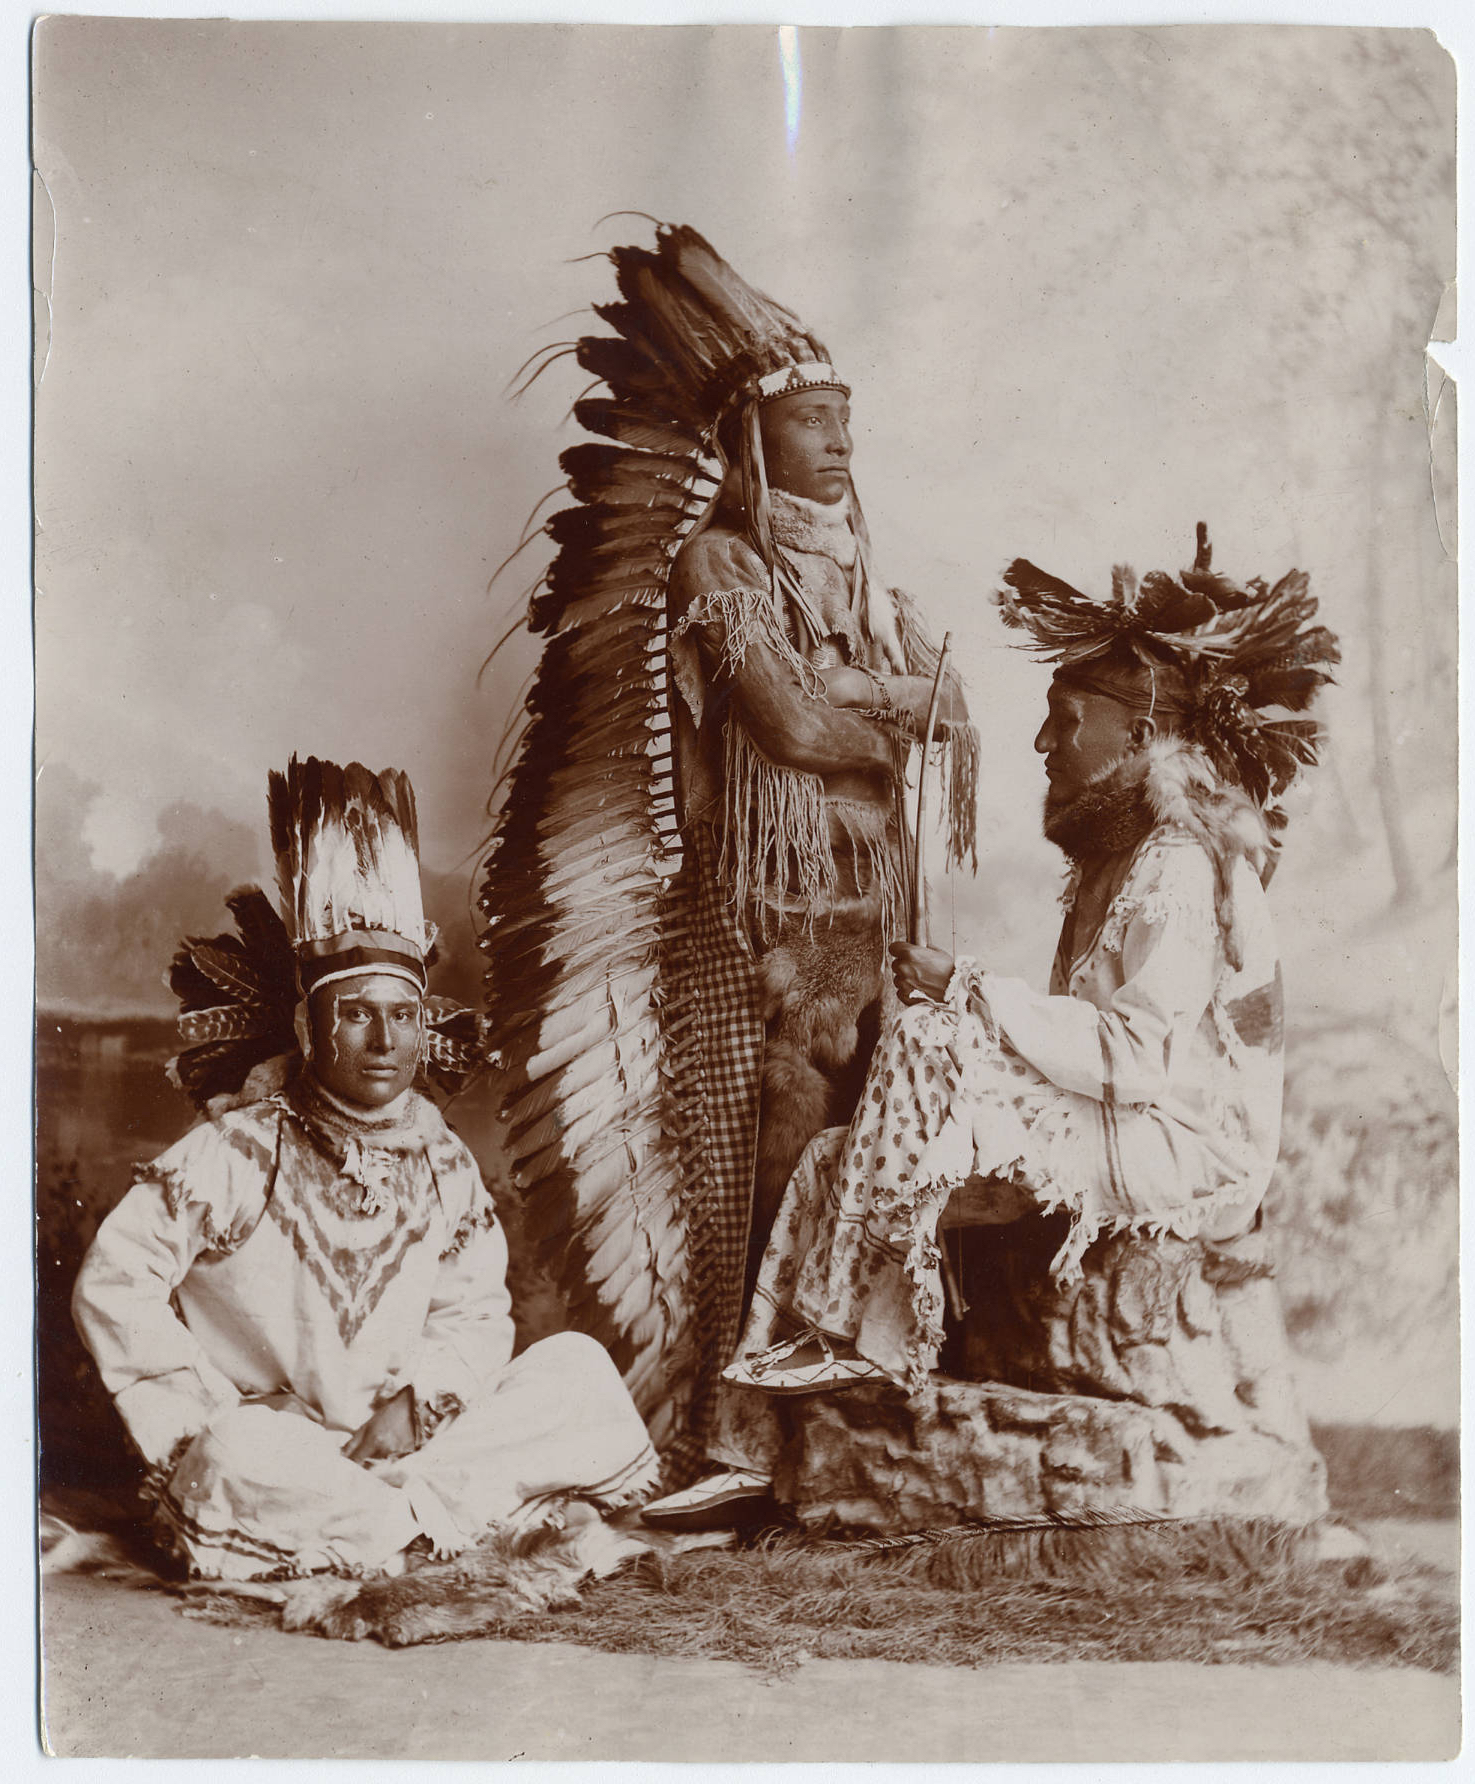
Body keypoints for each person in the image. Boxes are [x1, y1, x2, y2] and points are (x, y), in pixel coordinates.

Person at [645, 525, 1337, 1526]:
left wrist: (967, 991)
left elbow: (1136, 1056)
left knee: (930, 1035)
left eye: (1064, 720)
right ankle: (749, 1443)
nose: (1041, 744)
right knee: (832, 1154)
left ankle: (853, 1331)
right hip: (1125, 1120)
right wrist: (961, 1004)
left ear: (1139, 733)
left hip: (1186, 1145)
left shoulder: (1180, 869)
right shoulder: (1119, 862)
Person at [73, 757, 658, 1581]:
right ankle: (435, 1526)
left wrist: (414, 1402)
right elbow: (115, 1281)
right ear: (312, 1033)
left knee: (576, 1369)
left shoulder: (444, 1162)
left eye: (402, 1017)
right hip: (285, 1446)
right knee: (238, 1456)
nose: (385, 1043)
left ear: (426, 1028)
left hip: (411, 1442)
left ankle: (394, 1523)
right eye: (355, 1015)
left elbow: (472, 1312)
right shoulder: (239, 1149)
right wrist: (208, 1411)